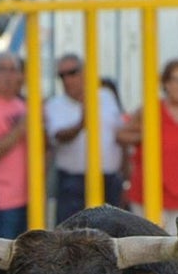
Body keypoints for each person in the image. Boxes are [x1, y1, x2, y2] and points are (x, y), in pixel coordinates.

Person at [117, 59, 178, 234]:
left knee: (176, 243)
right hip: (147, 190)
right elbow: (121, 135)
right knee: (152, 242)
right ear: (166, 84)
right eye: (177, 80)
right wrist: (146, 136)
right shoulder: (151, 109)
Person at [43, 53, 125, 224]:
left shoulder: (106, 96)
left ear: (85, 72)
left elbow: (119, 132)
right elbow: (59, 136)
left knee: (113, 233)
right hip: (74, 183)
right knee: (72, 233)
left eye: (72, 72)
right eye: (62, 75)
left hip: (109, 180)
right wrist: (81, 124)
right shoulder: (55, 105)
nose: (67, 80)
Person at [0, 53, 28, 239]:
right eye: (2, 69)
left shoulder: (21, 104)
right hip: (1, 199)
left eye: (13, 70)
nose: (9, 75)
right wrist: (21, 127)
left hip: (28, 195)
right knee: (4, 252)